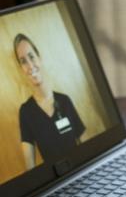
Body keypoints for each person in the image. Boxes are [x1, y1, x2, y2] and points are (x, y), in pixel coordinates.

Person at [15, 33, 86, 170]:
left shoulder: (64, 101)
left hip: (80, 171)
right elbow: (30, 168)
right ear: (21, 69)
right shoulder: (25, 111)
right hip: (54, 181)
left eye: (31, 57)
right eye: (23, 61)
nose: (30, 66)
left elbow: (85, 143)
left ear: (39, 58)